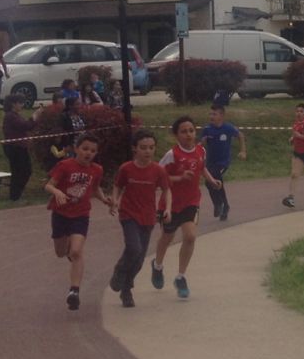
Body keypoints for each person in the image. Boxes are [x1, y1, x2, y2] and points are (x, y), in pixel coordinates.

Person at [152, 115, 213, 299]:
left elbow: (202, 168)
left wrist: (212, 181)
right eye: (184, 131)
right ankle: (157, 266)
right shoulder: (172, 155)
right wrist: (179, 177)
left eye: (191, 130)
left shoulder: (201, 150)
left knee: (190, 236)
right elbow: (157, 177)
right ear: (176, 135)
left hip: (191, 202)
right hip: (170, 204)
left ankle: (181, 277)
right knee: (167, 238)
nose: (188, 134)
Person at [107, 130, 169, 307]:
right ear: (135, 149)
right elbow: (118, 186)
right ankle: (119, 271)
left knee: (140, 259)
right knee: (134, 248)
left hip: (148, 217)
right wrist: (115, 201)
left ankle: (126, 290)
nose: (148, 151)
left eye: (151, 147)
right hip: (128, 214)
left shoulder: (158, 170)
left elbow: (167, 190)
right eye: (143, 147)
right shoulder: (126, 168)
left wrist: (167, 208)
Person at [45, 132, 106, 311]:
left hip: (81, 215)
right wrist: (57, 192)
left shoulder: (97, 170)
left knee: (77, 252)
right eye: (85, 149)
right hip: (60, 214)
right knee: (61, 252)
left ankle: (74, 291)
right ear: (76, 149)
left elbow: (95, 189)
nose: (88, 153)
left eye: (93, 151)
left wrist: (105, 200)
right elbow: (48, 185)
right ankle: (69, 252)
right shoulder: (65, 165)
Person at [199, 102, 246, 221]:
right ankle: (219, 203)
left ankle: (222, 205)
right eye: (210, 114)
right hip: (210, 161)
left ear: (221, 115)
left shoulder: (228, 128)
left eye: (214, 114)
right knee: (208, 182)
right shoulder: (207, 129)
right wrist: (202, 143)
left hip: (223, 162)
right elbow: (201, 144)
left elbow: (240, 135)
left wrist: (243, 151)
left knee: (215, 176)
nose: (211, 116)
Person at [1, 95, 37, 201]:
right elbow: (24, 126)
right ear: (13, 104)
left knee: (22, 171)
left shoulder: (15, 115)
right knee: (21, 171)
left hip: (20, 147)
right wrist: (34, 117)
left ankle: (16, 194)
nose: (22, 105)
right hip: (15, 148)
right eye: (20, 103)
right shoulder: (10, 116)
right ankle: (15, 195)